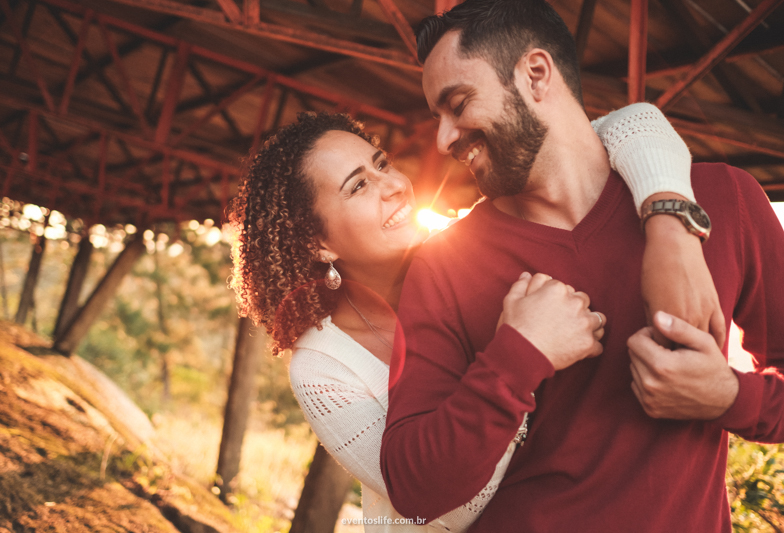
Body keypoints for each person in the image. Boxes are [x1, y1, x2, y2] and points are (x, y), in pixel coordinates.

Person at [379, 1, 784, 532]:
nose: (444, 138)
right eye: (438, 116)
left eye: (457, 104)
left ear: (536, 74)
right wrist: (517, 356)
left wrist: (729, 396)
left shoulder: (725, 199)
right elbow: (412, 486)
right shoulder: (443, 265)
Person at [228, 101, 713, 530]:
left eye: (381, 164)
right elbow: (445, 508)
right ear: (318, 243)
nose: (394, 185)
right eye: (358, 186)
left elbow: (633, 121)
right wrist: (522, 355)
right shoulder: (323, 367)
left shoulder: (479, 244)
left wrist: (670, 225)